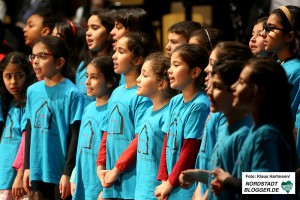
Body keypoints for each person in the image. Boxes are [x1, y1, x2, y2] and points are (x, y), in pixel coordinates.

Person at [211, 57, 297, 199]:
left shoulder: (265, 134)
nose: (233, 87)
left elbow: (273, 186)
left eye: (242, 82)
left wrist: (228, 180)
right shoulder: (259, 130)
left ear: (259, 92)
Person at [179, 41, 253, 200]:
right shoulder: (227, 126)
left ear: (236, 88)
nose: (208, 91)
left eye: (217, 86)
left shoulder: (252, 133)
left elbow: (283, 185)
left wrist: (229, 182)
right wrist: (202, 176)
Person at [96, 32, 158, 199]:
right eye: (115, 51)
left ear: (138, 60)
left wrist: (117, 169)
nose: (114, 56)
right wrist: (100, 165)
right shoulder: (115, 92)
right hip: (110, 179)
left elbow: (139, 139)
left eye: (121, 52)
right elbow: (107, 133)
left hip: (130, 179)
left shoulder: (142, 96)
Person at [23, 35, 84, 200]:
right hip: (38, 168)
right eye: (33, 56)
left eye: (42, 56)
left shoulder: (72, 93)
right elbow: (30, 129)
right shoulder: (32, 91)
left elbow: (75, 136)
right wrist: (27, 167)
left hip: (60, 172)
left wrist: (68, 173)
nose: (35, 61)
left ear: (59, 62)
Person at [154, 44, 210, 200]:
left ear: (195, 72)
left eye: (176, 65)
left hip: (184, 186)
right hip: (170, 184)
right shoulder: (175, 101)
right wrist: (164, 178)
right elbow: (166, 140)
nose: (169, 70)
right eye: (170, 64)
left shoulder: (200, 104)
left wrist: (171, 182)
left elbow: (189, 149)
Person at [71, 56, 120, 200]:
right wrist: (74, 175)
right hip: (83, 181)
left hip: (99, 185)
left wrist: (105, 191)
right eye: (87, 76)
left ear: (110, 82)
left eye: (94, 77)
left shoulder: (112, 110)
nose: (87, 82)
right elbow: (81, 146)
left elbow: (111, 151)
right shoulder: (88, 108)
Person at [135, 52, 177, 199]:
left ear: (161, 84)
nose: (138, 79)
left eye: (145, 76)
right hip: (140, 190)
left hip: (157, 192)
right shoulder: (146, 111)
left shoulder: (168, 114)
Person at [0, 52, 35, 200]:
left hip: (17, 182)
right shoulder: (10, 102)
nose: (13, 82)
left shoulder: (27, 103)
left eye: (19, 76)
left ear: (27, 76)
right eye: (8, 76)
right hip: (4, 177)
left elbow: (26, 140)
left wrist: (20, 175)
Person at [77, 8, 114, 107]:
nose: (88, 33)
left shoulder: (116, 66)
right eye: (87, 28)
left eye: (95, 28)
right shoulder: (82, 65)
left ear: (108, 34)